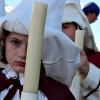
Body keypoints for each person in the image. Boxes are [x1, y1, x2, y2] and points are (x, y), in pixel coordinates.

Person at [0, 0, 81, 99]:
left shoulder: (58, 94)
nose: (23, 54)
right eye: (16, 42)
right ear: (4, 41)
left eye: (34, 45)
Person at [62, 0, 100, 100]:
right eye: (96, 15)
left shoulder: (96, 59)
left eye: (65, 26)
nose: (96, 19)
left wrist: (88, 71)